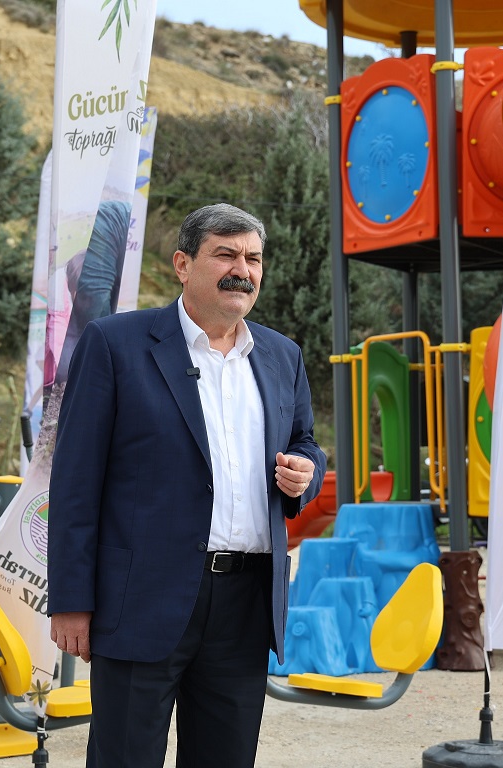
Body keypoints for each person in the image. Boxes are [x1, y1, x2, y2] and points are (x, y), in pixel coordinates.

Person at [48, 203, 327, 768]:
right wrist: (72, 601)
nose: (242, 270)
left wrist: (306, 470)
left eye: (253, 259)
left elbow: (304, 441)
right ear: (183, 264)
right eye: (225, 254)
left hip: (245, 603)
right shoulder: (115, 344)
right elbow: (75, 480)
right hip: (141, 598)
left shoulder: (282, 355)